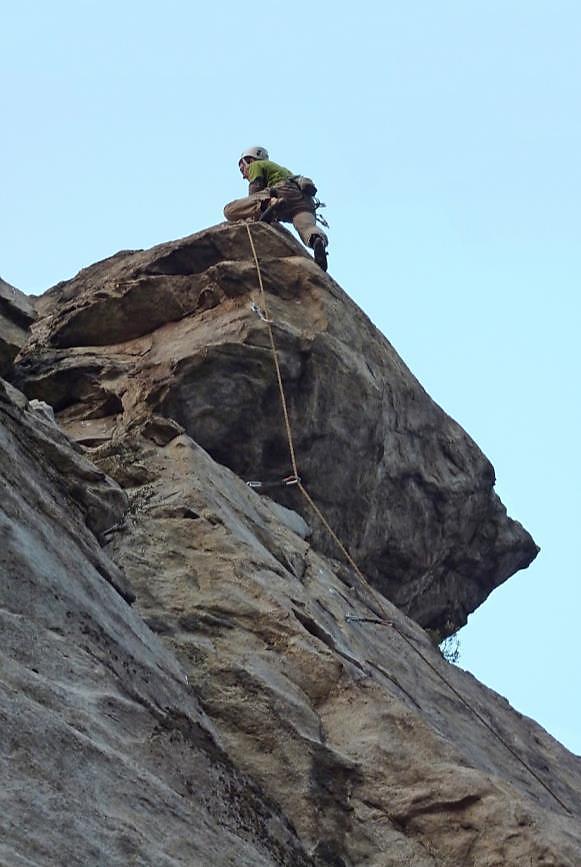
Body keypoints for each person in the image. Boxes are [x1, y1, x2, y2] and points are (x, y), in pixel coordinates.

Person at [223, 146, 329, 272]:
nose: (244, 175)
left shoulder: (256, 165)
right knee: (307, 228)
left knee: (229, 210)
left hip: (281, 192)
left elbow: (255, 189)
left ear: (250, 160)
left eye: (242, 168)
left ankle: (271, 203)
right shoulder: (285, 171)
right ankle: (317, 240)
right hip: (305, 202)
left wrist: (253, 213)